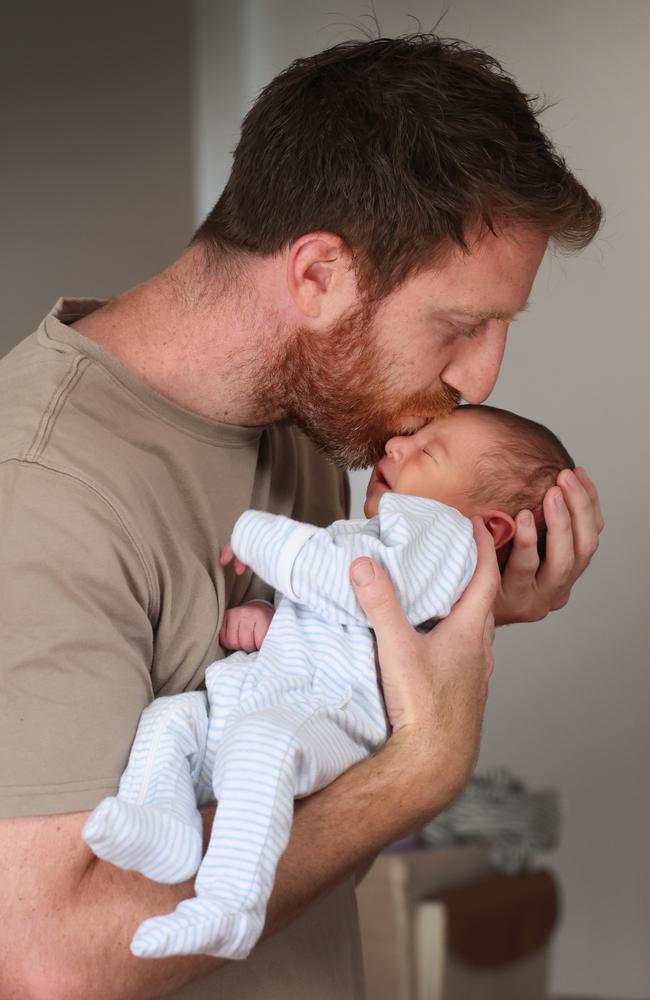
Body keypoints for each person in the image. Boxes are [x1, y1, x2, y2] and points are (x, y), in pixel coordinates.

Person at [0, 34, 603, 1000]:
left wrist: (446, 621)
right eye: (459, 325)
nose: (479, 381)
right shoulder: (40, 487)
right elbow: (51, 964)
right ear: (318, 273)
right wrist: (421, 765)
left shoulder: (317, 433)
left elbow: (309, 800)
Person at [81, 404, 575, 962]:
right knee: (172, 719)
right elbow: (343, 618)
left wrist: (256, 534)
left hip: (329, 710)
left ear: (494, 527)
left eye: (427, 451)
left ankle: (228, 905)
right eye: (410, 437)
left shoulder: (448, 533)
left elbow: (351, 580)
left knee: (258, 748)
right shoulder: (385, 535)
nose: (395, 447)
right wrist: (272, 617)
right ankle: (163, 823)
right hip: (279, 691)